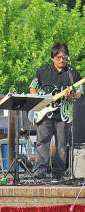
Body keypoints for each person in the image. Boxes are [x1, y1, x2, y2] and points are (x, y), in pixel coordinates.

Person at [29, 42, 83, 179]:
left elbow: (79, 94)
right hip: (45, 113)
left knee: (61, 145)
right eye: (58, 57)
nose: (61, 60)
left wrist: (71, 95)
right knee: (42, 142)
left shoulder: (73, 74)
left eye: (64, 57)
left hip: (63, 115)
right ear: (52, 57)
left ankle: (58, 173)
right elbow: (33, 87)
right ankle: (40, 171)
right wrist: (38, 99)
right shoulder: (42, 71)